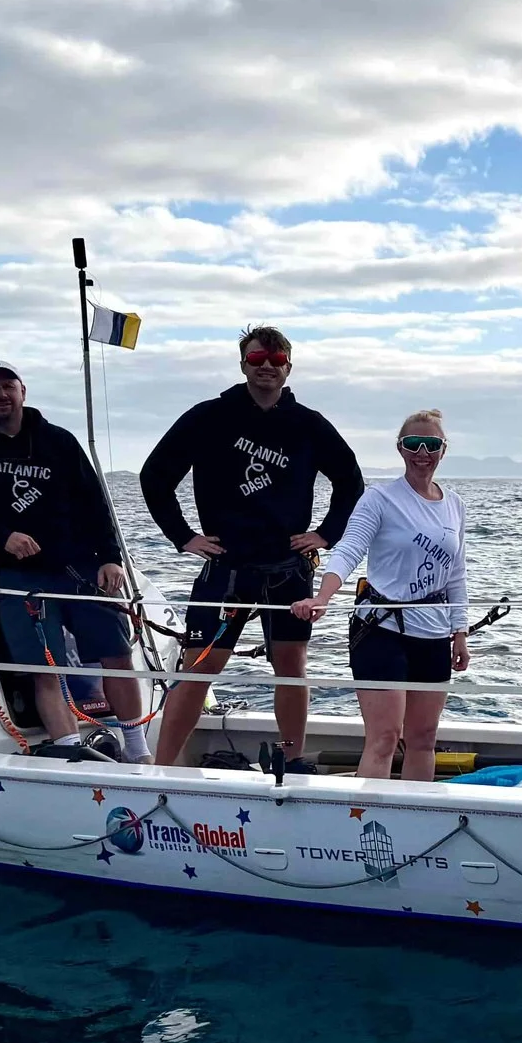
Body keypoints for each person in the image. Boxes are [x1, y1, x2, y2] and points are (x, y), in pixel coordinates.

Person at [139, 327, 364, 769]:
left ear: (288, 367)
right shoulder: (208, 417)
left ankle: (292, 761)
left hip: (289, 568)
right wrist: (183, 536)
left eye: (276, 359)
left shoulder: (308, 424)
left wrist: (326, 533)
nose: (266, 366)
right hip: (228, 566)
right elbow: (155, 477)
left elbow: (350, 480)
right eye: (257, 358)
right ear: (243, 364)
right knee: (199, 667)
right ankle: (163, 767)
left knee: (291, 667)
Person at [0, 359, 148, 759]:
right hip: (19, 575)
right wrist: (1, 536)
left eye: (7, 386)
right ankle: (71, 751)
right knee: (43, 667)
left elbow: (96, 504)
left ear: (22, 392)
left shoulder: (60, 442)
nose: (0, 394)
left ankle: (137, 749)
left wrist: (111, 557)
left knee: (117, 655)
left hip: (81, 569)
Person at [301, 410, 469, 782]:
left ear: (444, 450)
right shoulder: (379, 499)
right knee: (384, 737)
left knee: (423, 738)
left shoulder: (455, 505)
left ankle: (416, 819)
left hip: (435, 632)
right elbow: (349, 549)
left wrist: (461, 632)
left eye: (432, 444)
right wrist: (323, 595)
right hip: (380, 630)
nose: (422, 452)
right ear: (400, 448)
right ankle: (366, 823)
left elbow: (456, 574)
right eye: (413, 443)